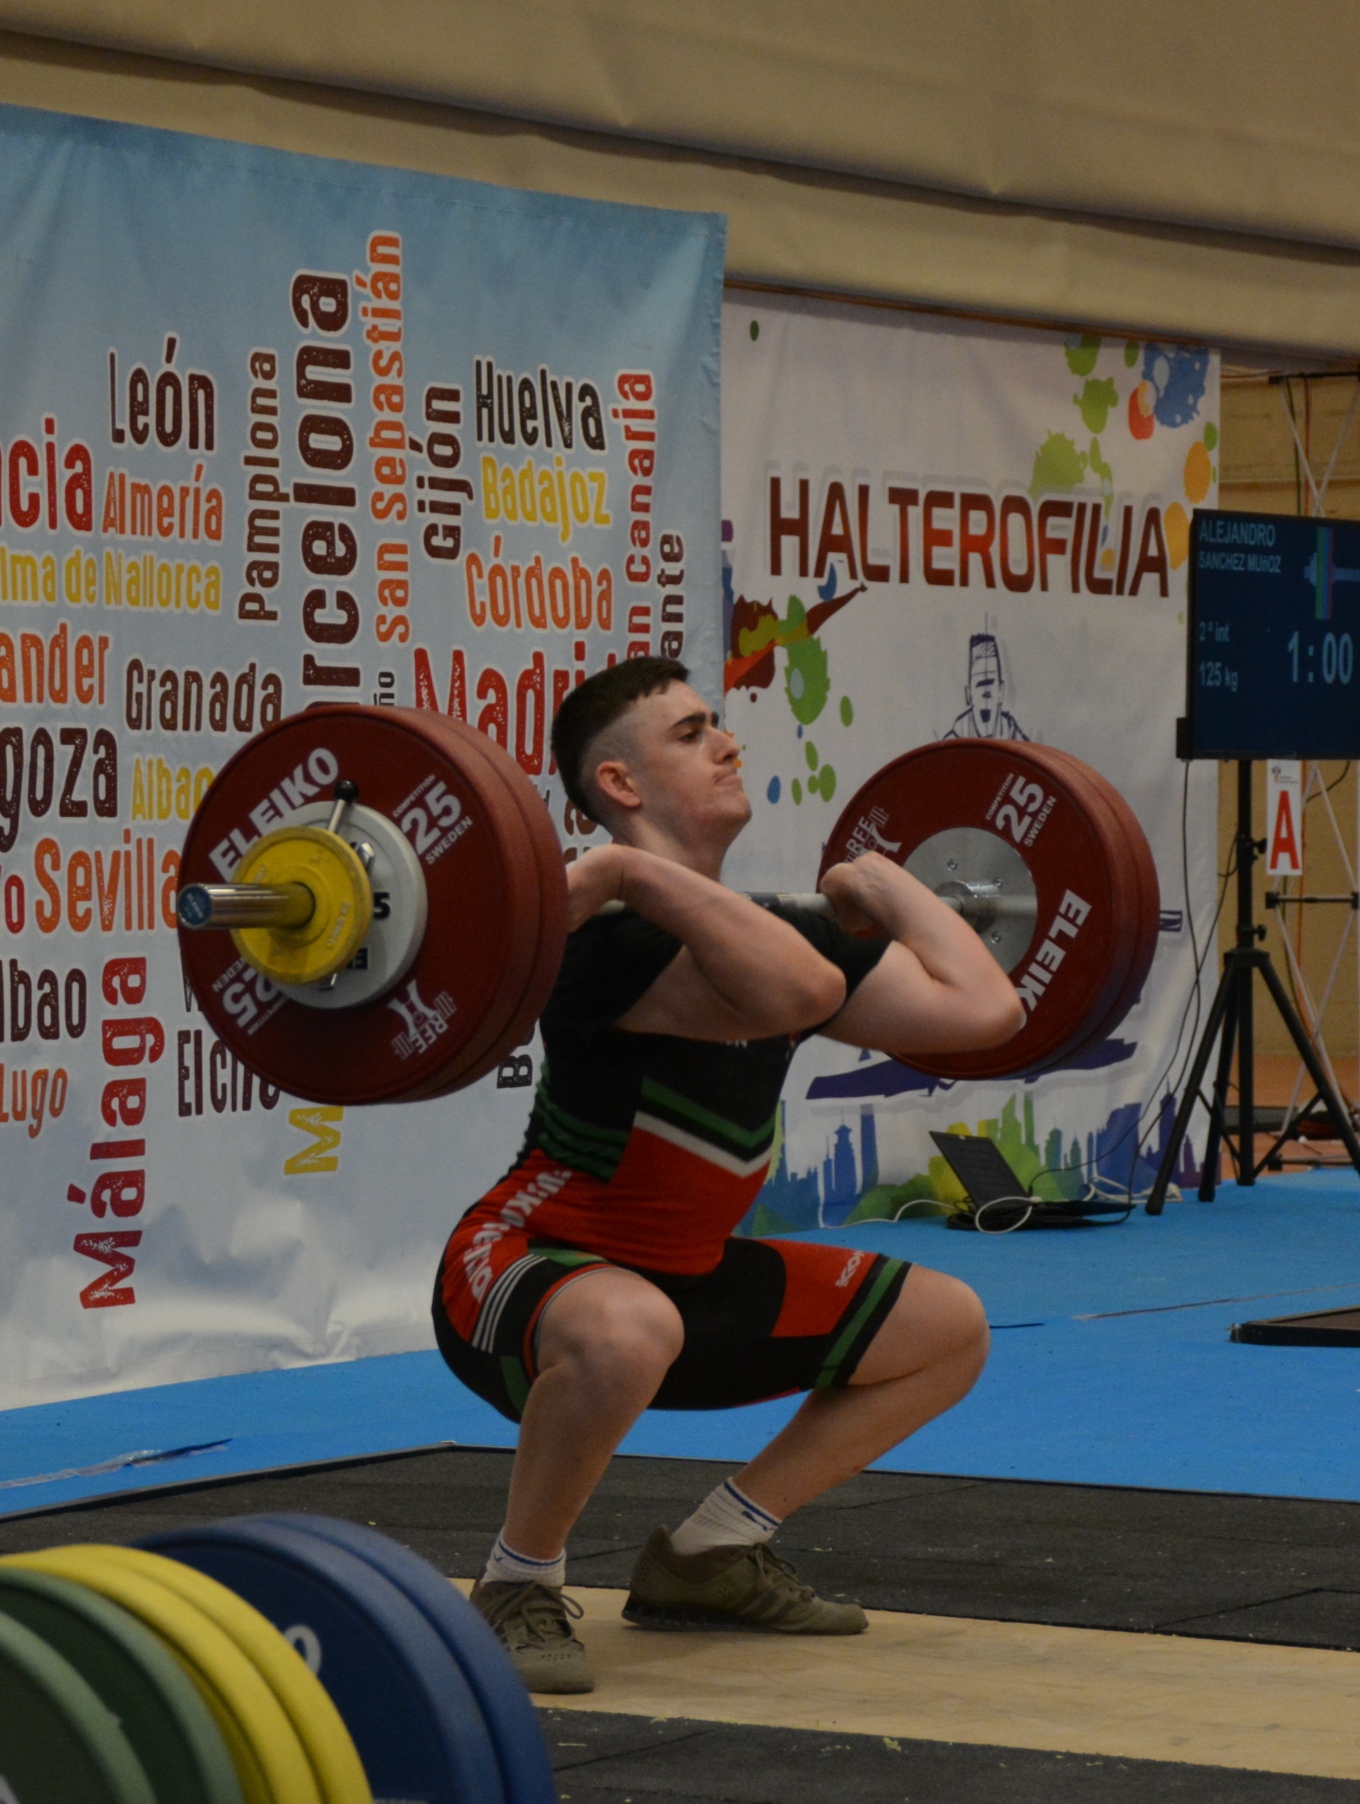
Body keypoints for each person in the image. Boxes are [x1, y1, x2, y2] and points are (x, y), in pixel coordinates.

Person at [433, 657, 1024, 1693]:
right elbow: (794, 990)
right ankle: (518, 1583)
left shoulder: (760, 928)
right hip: (525, 1272)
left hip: (683, 1284)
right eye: (691, 731)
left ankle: (712, 1551)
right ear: (618, 784)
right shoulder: (601, 939)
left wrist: (884, 883)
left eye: (719, 725)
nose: (727, 742)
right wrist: (626, 877)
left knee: (949, 1330)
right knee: (631, 1328)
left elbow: (986, 1012)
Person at [943, 632, 1028, 741]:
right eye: (979, 684)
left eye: (991, 683)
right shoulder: (955, 741)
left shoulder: (1012, 734)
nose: (986, 692)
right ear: (968, 695)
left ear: (1001, 691)